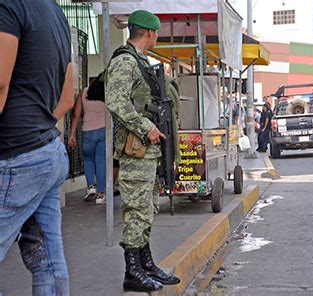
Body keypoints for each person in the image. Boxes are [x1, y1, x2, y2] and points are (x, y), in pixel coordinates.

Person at [0, 1, 74, 295]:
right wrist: (38, 127)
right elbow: (67, 97)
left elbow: (0, 82)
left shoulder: (8, 6)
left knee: (47, 261)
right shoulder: (54, 12)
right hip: (47, 150)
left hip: (15, 155)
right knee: (48, 262)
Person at [105, 10, 180, 292]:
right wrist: (144, 126)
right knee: (136, 210)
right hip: (136, 150)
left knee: (146, 209)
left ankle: (146, 263)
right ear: (149, 33)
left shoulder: (140, 62)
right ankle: (132, 271)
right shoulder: (126, 61)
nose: (157, 36)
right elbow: (116, 101)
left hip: (147, 151)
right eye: (157, 32)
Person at [68, 79, 106, 204]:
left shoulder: (83, 93)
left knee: (88, 160)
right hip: (103, 131)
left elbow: (76, 114)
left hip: (87, 132)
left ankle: (91, 187)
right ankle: (101, 194)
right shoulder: (107, 93)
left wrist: (72, 134)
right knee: (100, 161)